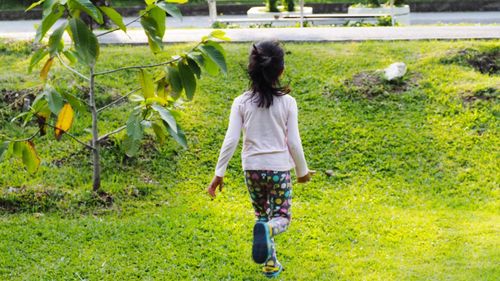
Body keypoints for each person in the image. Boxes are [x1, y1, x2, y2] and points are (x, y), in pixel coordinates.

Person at [207, 40, 313, 278]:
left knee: (261, 217)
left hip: (251, 170)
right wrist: (302, 172)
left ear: (251, 68)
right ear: (281, 71)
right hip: (278, 170)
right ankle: (267, 232)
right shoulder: (288, 103)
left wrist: (219, 173)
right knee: (281, 219)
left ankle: (270, 264)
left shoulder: (241, 102)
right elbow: (293, 142)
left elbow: (231, 139)